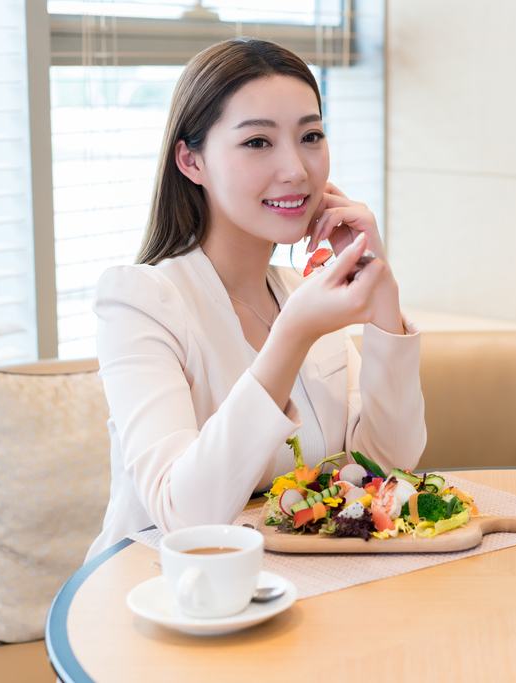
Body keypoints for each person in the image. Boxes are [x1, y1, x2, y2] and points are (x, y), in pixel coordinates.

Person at [85, 38, 426, 560]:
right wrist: (293, 334)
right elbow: (182, 515)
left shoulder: (301, 293)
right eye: (257, 143)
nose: (296, 169)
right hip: (158, 597)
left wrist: (379, 289)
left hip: (293, 591)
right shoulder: (141, 300)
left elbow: (386, 467)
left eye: (310, 135)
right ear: (191, 161)